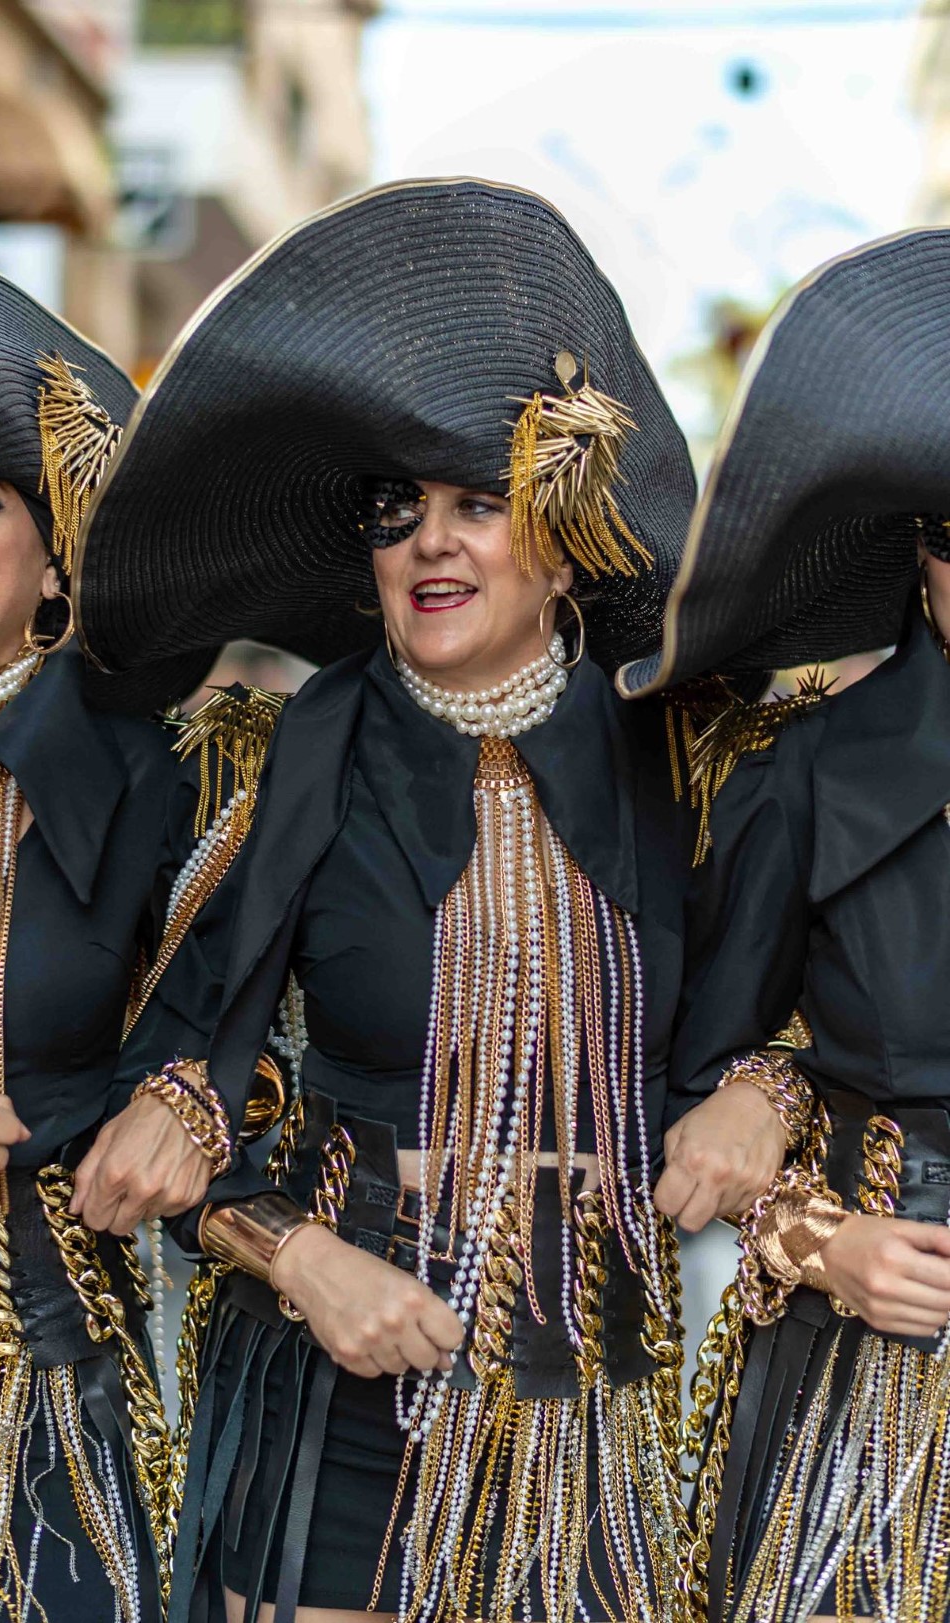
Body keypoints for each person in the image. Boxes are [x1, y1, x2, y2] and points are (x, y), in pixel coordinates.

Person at [75, 178, 787, 1623]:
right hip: (340, 1373)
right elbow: (167, 1093)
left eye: (480, 504)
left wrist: (762, 1092)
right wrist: (302, 1259)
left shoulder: (694, 767)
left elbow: (822, 1022)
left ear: (566, 536)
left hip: (596, 1390)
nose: (431, 543)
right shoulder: (280, 767)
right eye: (400, 513)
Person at [0, 200, 226, 1622]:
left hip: (60, 1410)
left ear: (57, 549)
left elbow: (252, 1037)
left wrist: (189, 1105)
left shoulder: (170, 780)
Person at [618, 228, 950, 1622]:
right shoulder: (802, 770)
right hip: (870, 1382)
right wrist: (821, 1240)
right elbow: (684, 1085)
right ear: (924, 557)